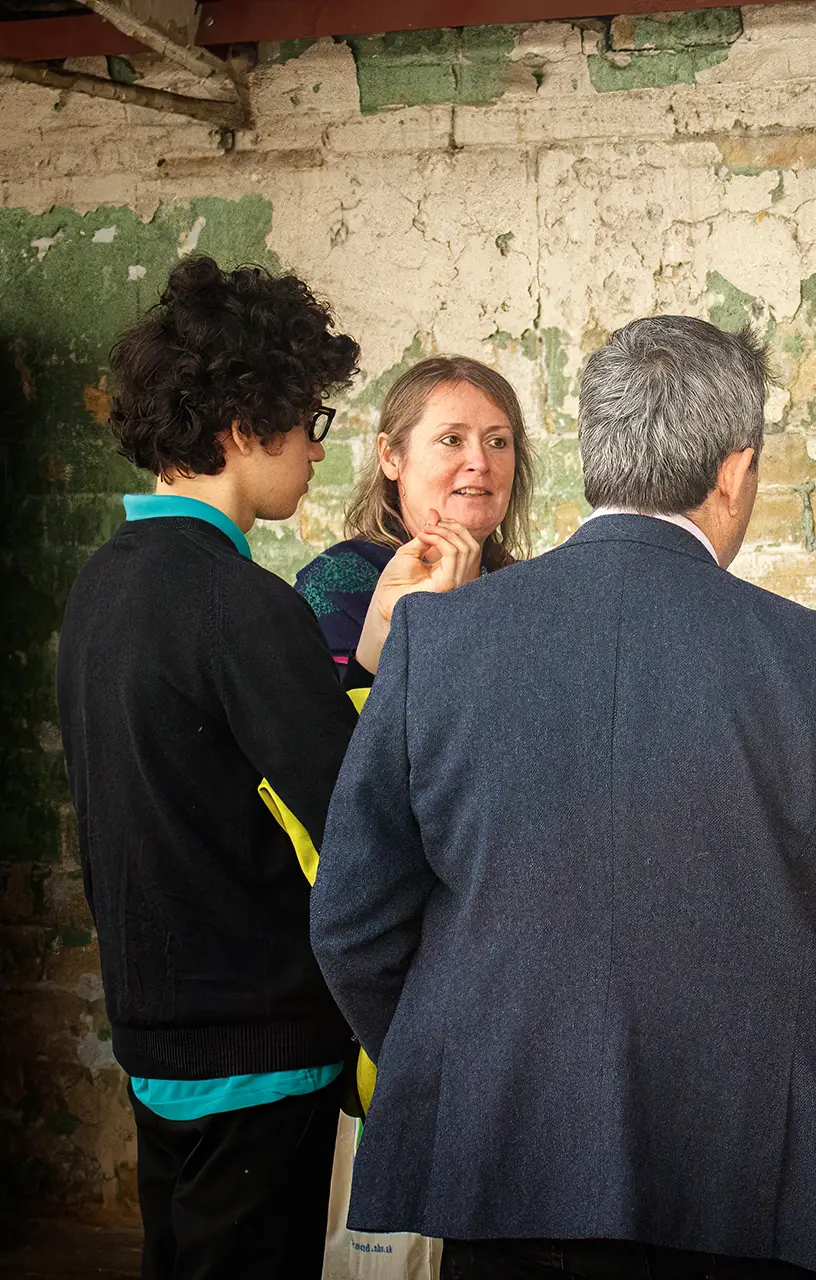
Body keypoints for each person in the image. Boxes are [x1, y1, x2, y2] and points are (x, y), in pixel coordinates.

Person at [310, 315, 816, 1280]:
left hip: (502, 1158)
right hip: (753, 1175)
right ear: (735, 471)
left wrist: (464, 1052)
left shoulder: (436, 642)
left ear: (595, 456)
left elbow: (353, 923)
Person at [55, 256, 361, 1279]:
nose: (319, 449)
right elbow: (360, 821)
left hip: (157, 1039)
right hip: (261, 1048)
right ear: (242, 425)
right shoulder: (244, 606)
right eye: (308, 420)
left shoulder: (103, 586)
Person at [296, 355, 534, 687]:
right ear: (391, 457)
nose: (480, 462)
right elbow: (348, 731)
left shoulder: (530, 588)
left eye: (498, 442)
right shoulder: (336, 586)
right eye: (452, 440)